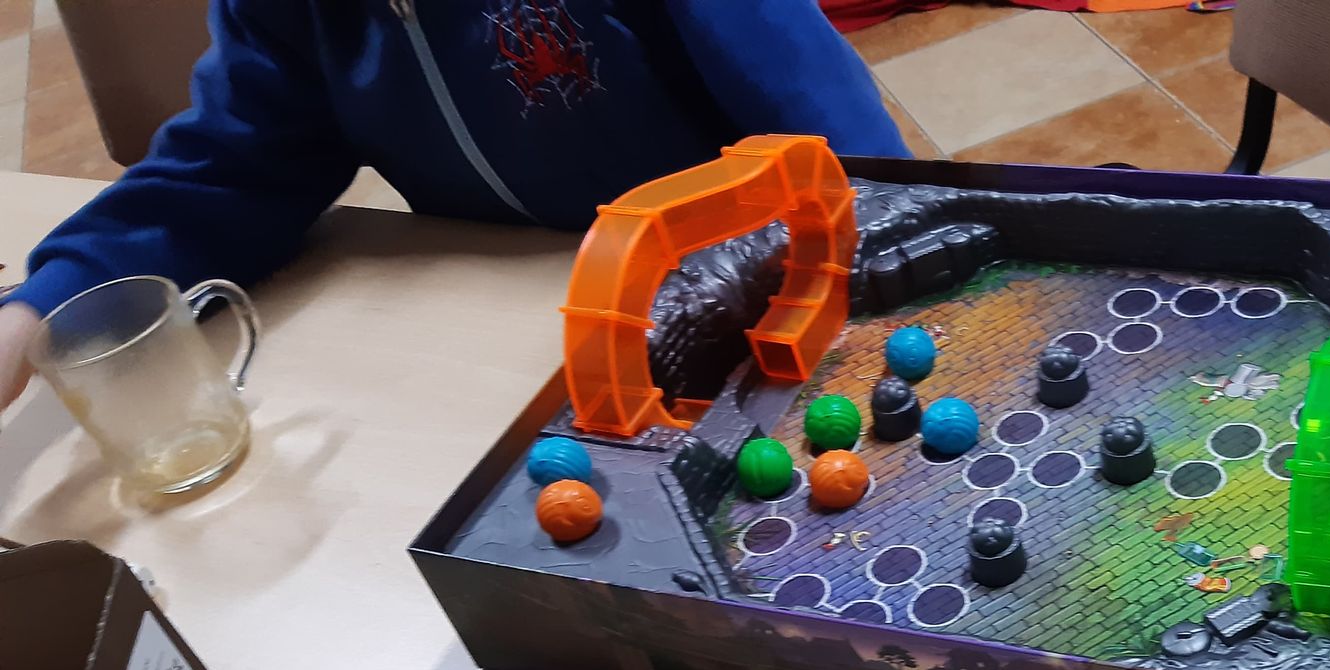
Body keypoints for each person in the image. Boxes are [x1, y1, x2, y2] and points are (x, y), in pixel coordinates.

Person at [0, 0, 907, 410]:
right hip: (530, 353)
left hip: (761, 319)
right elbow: (231, 168)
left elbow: (850, 159)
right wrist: (37, 313)